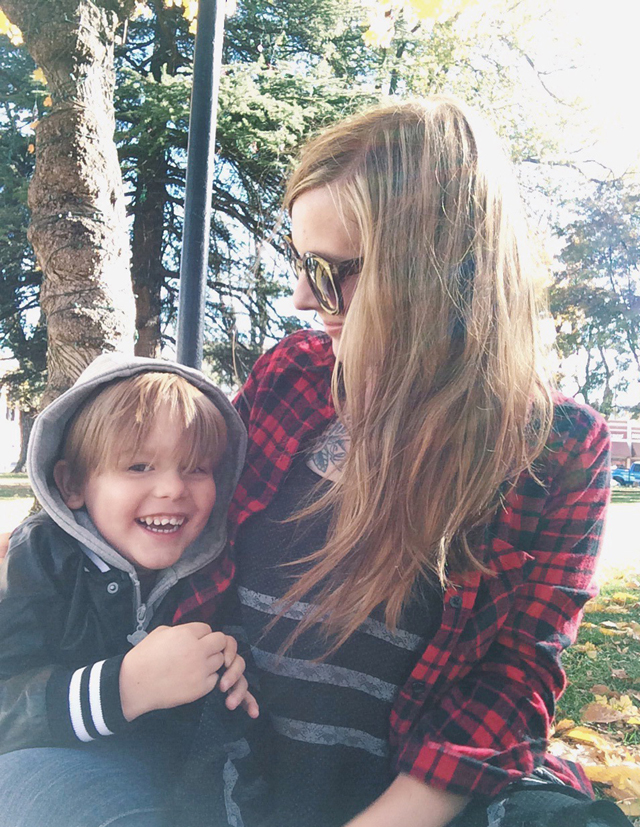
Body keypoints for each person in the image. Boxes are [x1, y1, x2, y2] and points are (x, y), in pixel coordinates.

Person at [174, 96, 629, 827]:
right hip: (230, 762)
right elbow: (166, 507)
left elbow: (514, 680)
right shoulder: (290, 375)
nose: (301, 297)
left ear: (432, 270)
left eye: (329, 272)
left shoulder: (559, 446)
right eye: (301, 263)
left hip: (415, 793)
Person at [0, 355, 260, 827]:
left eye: (196, 468)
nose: (173, 488)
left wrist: (226, 678)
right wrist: (122, 688)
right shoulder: (39, 561)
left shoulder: (211, 566)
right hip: (53, 772)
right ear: (72, 484)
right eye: (139, 466)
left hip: (174, 779)